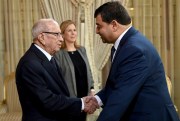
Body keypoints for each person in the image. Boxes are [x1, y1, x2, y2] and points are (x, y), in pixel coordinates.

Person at [90, 1, 180, 121]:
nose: (96, 31)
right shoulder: (126, 44)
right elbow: (117, 84)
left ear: (114, 25)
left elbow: (120, 98)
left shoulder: (133, 50)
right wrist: (97, 99)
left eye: (99, 26)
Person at [15, 18, 98, 121]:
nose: (61, 39)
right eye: (56, 34)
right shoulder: (29, 64)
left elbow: (60, 92)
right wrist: (81, 103)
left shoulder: (49, 57)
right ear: (42, 37)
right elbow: (47, 100)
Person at [54, 20, 94, 121]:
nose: (73, 33)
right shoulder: (58, 54)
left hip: (85, 96)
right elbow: (57, 78)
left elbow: (88, 70)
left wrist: (92, 90)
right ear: (62, 34)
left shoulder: (82, 50)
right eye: (69, 30)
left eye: (74, 30)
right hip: (70, 99)